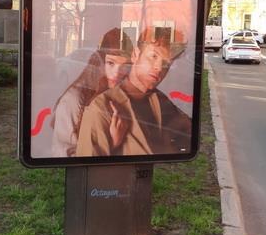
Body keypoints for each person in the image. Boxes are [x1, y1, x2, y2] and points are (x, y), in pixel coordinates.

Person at [76, 27, 191, 157]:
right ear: (135, 55)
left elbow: (189, 136)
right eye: (153, 56)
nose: (159, 68)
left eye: (166, 62)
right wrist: (112, 146)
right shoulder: (101, 108)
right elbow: (88, 163)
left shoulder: (161, 101)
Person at [50, 28, 132, 157]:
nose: (117, 73)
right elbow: (64, 156)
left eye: (125, 66)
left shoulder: (122, 94)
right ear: (99, 62)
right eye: (111, 63)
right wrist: (112, 144)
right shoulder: (74, 99)